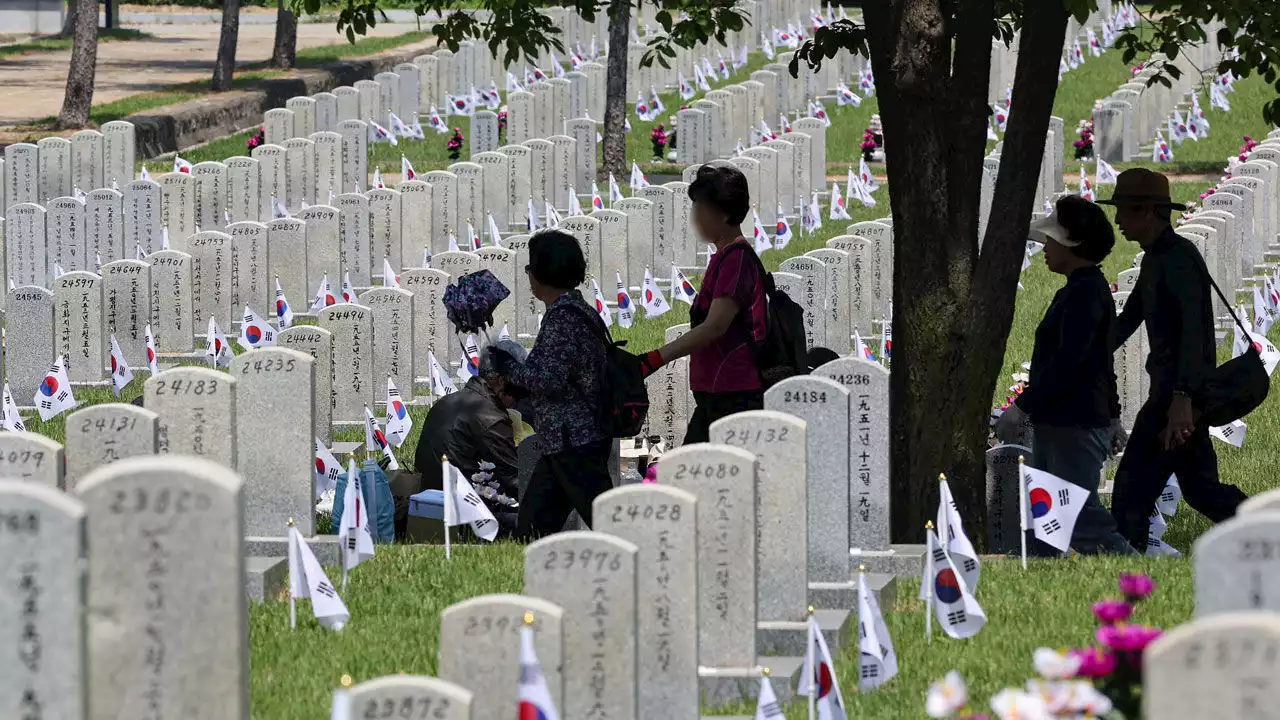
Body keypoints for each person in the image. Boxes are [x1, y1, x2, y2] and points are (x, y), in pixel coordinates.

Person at [1100, 168, 1247, 550]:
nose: (1117, 220)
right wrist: (1082, 351)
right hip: (1175, 396)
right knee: (1201, 491)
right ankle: (1265, 529)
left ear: (1147, 211)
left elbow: (1195, 335)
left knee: (1131, 493)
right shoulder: (1155, 259)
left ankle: (1123, 566)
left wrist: (1183, 399)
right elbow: (1128, 320)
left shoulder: (1178, 259)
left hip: (1175, 399)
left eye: (1124, 211)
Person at [999, 196, 1135, 556]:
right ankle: (1037, 578)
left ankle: (1137, 571)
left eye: (1052, 240)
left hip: (1074, 423)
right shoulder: (1079, 289)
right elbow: (1099, 361)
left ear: (1072, 245)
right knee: (1047, 516)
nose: (1045, 247)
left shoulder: (1085, 295)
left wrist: (1022, 406)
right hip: (1064, 421)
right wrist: (1115, 415)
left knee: (1076, 516)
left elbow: (1069, 362)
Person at [488, 230, 612, 538]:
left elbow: (549, 379)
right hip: (565, 440)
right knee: (533, 528)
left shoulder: (563, 319)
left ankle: (642, 572)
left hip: (574, 442)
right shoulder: (576, 311)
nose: (529, 275)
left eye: (530, 268)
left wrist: (510, 368)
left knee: (610, 527)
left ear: (543, 272)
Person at [635, 164, 768, 443]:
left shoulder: (736, 260)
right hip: (717, 395)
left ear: (726, 213)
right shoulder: (724, 256)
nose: (694, 217)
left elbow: (715, 327)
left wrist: (657, 358)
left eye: (701, 209)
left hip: (733, 396)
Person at [405, 340, 528, 538]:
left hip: (427, 506)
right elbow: (515, 479)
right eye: (519, 386)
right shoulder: (491, 417)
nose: (520, 398)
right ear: (500, 381)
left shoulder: (446, 401)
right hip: (463, 516)